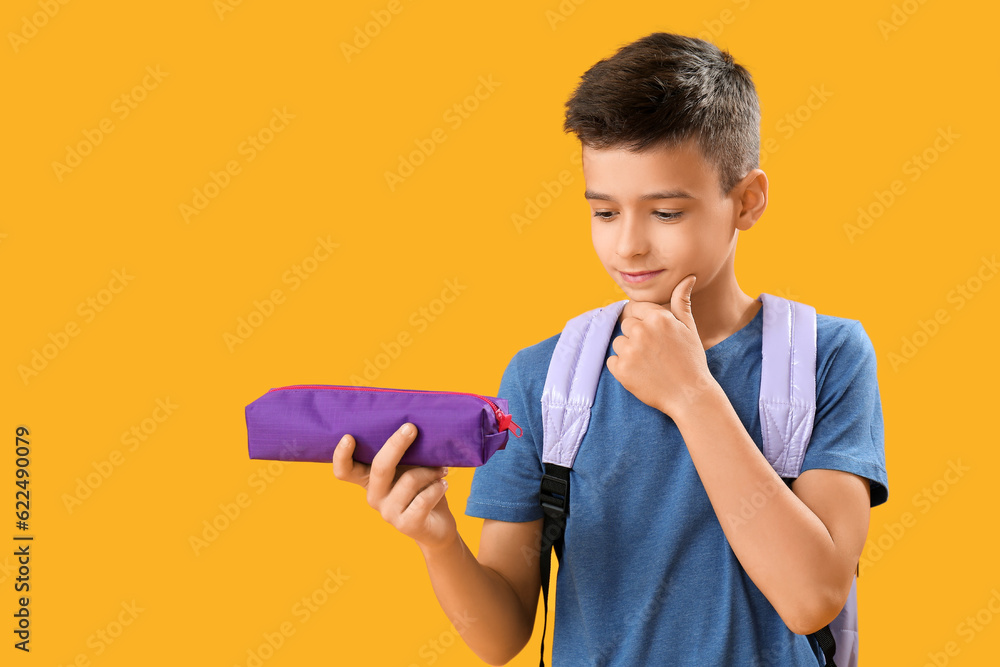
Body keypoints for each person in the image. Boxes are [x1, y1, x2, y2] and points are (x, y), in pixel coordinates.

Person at [333, 31, 888, 666]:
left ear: (747, 201)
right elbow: (500, 636)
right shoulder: (545, 378)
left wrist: (690, 393)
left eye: (666, 213)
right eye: (604, 213)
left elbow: (813, 596)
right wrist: (438, 541)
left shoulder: (825, 357)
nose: (627, 246)